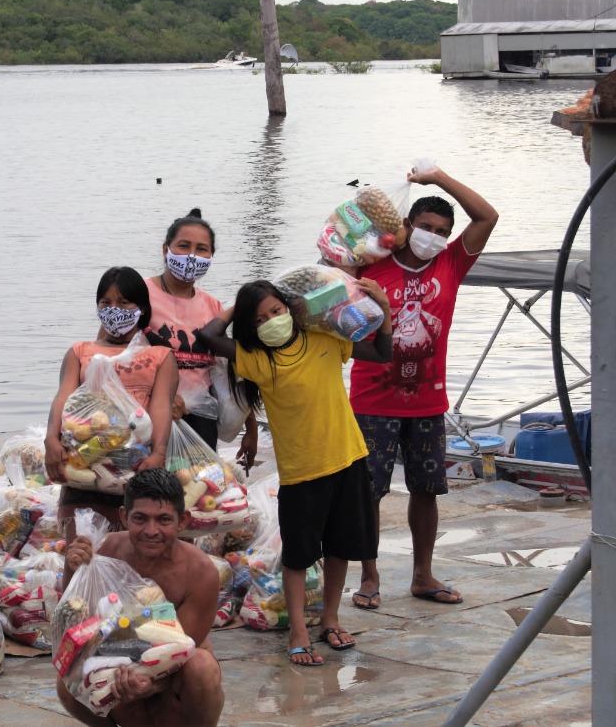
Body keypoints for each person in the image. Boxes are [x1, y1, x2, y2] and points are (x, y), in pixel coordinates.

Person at [197, 278, 392, 665]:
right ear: (251, 328)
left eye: (277, 310)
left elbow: (381, 353)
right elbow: (209, 336)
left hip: (348, 458)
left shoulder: (324, 337)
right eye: (260, 319)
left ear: (290, 308)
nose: (272, 320)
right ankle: (299, 632)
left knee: (339, 549)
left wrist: (383, 308)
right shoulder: (257, 360)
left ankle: (330, 619)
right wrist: (241, 302)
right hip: (301, 473)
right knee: (298, 557)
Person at [349, 166, 498, 610]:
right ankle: (369, 576)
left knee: (427, 489)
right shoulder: (370, 264)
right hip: (372, 399)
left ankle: (422, 575)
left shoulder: (451, 263)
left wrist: (439, 178)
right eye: (426, 227)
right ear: (407, 226)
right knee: (368, 493)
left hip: (428, 402)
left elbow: (487, 217)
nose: (433, 237)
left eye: (442, 232)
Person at [57, 468, 225, 726]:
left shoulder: (201, 572)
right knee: (68, 678)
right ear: (124, 517)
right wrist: (73, 567)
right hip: (117, 668)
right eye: (140, 518)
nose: (151, 530)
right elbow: (75, 615)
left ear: (182, 521)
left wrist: (151, 685)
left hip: (173, 684)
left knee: (202, 667)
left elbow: (179, 650)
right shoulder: (104, 550)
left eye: (164, 520)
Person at [45, 266, 177, 538]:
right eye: (106, 302)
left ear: (141, 308)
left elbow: (161, 407)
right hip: (84, 462)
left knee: (133, 550)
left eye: (123, 302)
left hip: (134, 466)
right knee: (80, 551)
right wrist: (51, 439)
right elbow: (63, 397)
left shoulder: (160, 356)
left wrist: (159, 453)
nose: (114, 309)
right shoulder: (80, 352)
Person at [144, 209, 259, 464]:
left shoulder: (212, 306)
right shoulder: (140, 293)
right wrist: (161, 397)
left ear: (211, 256)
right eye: (183, 246)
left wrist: (250, 428)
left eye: (202, 249)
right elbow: (111, 352)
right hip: (148, 413)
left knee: (199, 483)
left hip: (201, 416)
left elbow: (229, 370)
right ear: (166, 250)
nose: (192, 256)